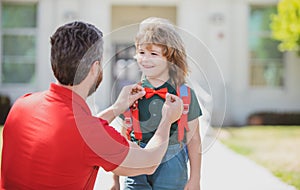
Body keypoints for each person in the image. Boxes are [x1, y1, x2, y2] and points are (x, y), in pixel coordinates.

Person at [0, 21, 184, 190]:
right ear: (94, 67)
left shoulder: (22, 105)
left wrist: (115, 108)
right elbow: (149, 162)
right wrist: (167, 119)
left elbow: (73, 134)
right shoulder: (89, 133)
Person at [111, 17, 202, 190]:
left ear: (171, 59)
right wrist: (115, 179)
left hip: (172, 165)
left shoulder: (185, 95)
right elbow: (123, 135)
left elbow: (194, 140)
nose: (145, 59)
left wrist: (195, 178)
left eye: (153, 54)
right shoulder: (131, 94)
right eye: (141, 52)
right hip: (135, 161)